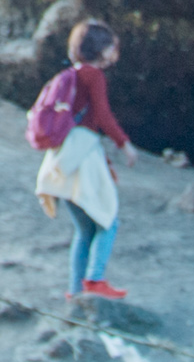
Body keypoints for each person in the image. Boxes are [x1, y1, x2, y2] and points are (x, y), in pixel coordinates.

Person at [31, 19, 137, 308]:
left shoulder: (71, 75)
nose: (116, 53)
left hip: (63, 155)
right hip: (83, 154)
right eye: (113, 47)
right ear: (102, 50)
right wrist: (124, 144)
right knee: (108, 220)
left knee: (85, 228)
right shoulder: (94, 76)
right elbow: (102, 115)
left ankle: (76, 290)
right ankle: (94, 281)